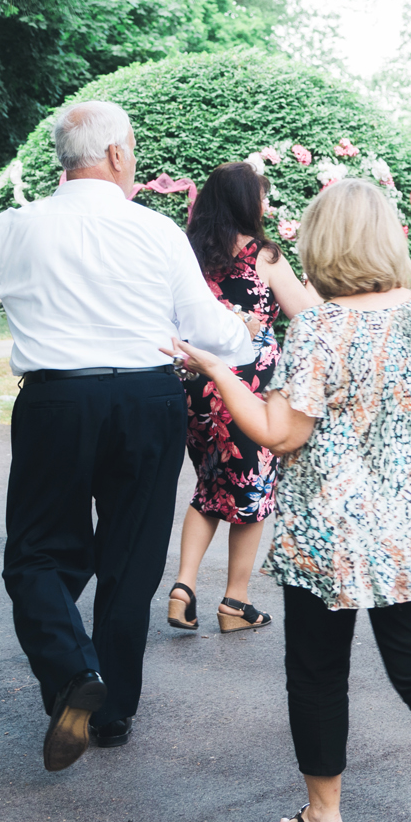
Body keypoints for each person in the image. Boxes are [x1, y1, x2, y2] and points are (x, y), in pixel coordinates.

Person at [169, 178, 411, 822]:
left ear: (324, 244)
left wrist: (216, 368)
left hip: (329, 526)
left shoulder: (319, 328)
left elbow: (280, 432)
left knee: (317, 669)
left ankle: (323, 816)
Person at [0, 100, 251, 771]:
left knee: (37, 556)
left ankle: (75, 672)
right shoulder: (156, 230)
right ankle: (111, 713)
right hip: (148, 398)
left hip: (59, 399)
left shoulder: (19, 226)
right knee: (132, 558)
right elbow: (207, 325)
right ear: (115, 155)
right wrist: (243, 337)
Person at [168, 161, 319, 636]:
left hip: (195, 382)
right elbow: (306, 315)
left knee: (211, 484)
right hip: (249, 386)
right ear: (244, 201)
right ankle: (236, 601)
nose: (265, 204)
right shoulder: (263, 254)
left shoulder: (188, 251)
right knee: (252, 487)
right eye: (261, 196)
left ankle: (183, 588)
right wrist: (314, 282)